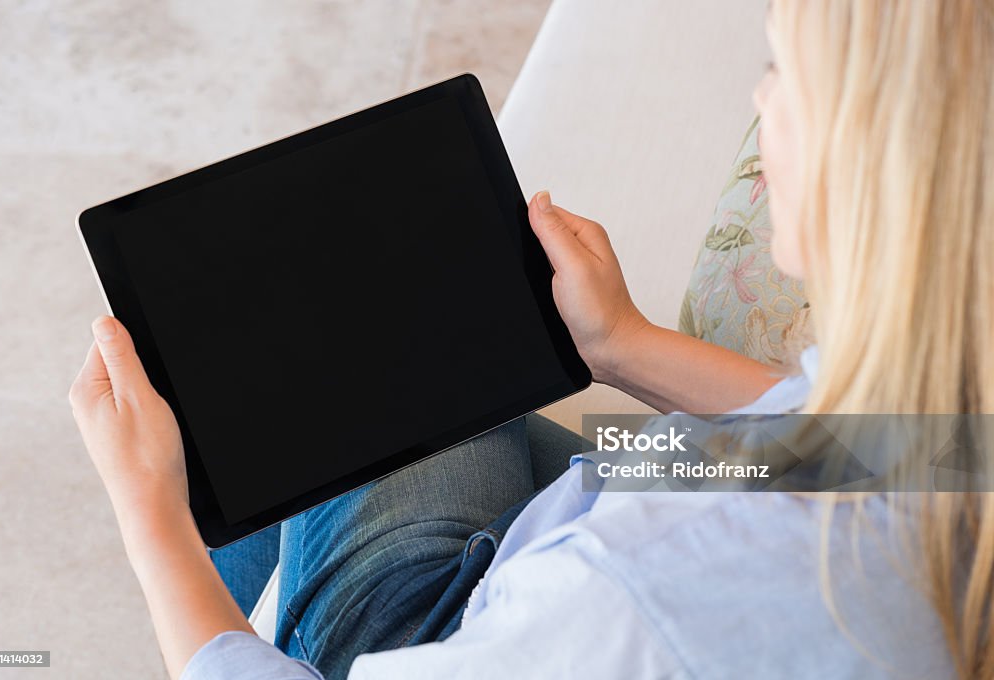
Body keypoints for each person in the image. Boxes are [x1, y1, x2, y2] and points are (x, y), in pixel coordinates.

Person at [69, 1, 993, 677]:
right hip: (633, 553)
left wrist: (146, 511)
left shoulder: (635, 593)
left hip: (480, 635)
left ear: (873, 167)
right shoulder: (966, 402)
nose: (762, 99)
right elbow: (876, 450)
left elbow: (616, 607)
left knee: (365, 364)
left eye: (783, 71)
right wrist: (619, 345)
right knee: (460, 348)